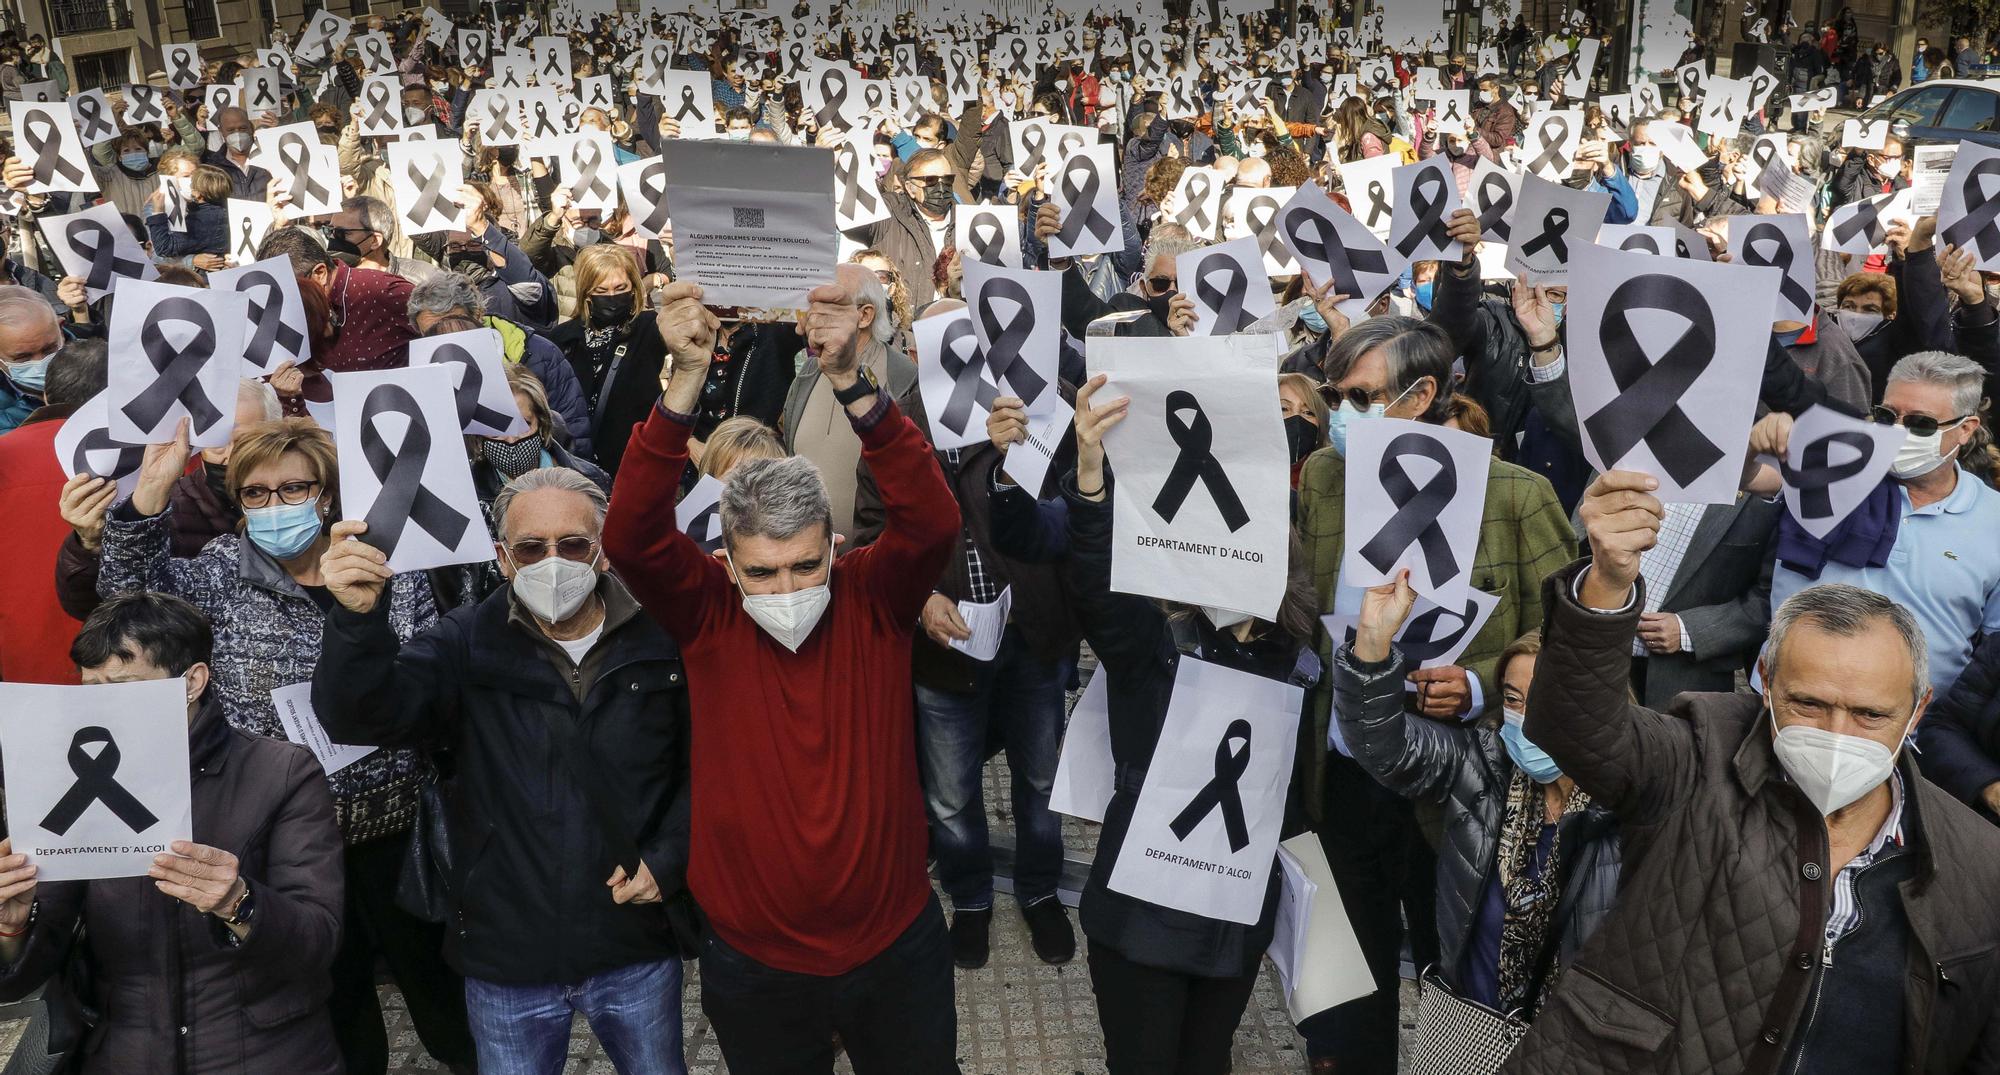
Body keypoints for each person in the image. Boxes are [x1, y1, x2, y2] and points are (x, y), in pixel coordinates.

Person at [1510, 473, 2000, 1071]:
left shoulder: (1980, 867)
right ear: (1765, 682)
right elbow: (1578, 728)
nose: (1836, 735)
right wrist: (1608, 583)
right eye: (1809, 705)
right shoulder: (1698, 756)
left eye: (1870, 714)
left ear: (1918, 708)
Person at [600, 279, 962, 1072]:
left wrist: (850, 377)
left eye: (806, 564)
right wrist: (685, 380)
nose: (789, 590)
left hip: (896, 946)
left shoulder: (873, 595)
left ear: (835, 549)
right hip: (755, 964)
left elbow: (931, 519)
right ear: (725, 562)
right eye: (764, 572)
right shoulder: (706, 612)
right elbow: (630, 537)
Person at [88, 418, 478, 1075]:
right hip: (285, 836)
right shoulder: (218, 572)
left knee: (444, 994)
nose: (275, 505)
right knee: (334, 999)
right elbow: (129, 610)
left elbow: (438, 669)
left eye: (293, 488)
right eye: (256, 493)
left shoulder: (389, 564)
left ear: (327, 494)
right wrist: (149, 494)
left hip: (398, 828)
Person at [314, 466, 694, 1075]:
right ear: (503, 558)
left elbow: (702, 767)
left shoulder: (660, 638)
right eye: (531, 548)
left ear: (602, 549)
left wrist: (672, 857)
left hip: (632, 942)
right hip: (505, 956)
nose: (553, 561)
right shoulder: (464, 642)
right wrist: (358, 621)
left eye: (572, 544)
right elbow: (362, 716)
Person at [1295, 316, 1578, 1073]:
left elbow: (1571, 649)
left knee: (1454, 986)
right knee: (1345, 988)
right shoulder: (1324, 476)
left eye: (1360, 396)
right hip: (1346, 777)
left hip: (1458, 794)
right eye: (1332, 394)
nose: (1340, 413)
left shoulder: (1517, 496)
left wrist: (1484, 688)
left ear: (1421, 395)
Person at [1034, 371, 1321, 1072]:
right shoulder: (1155, 640)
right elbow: (1098, 586)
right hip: (1142, 916)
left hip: (1234, 918)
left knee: (1206, 1059)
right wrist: (1092, 481)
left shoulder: (1306, 659)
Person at [0, 593, 345, 1074]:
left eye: (122, 687)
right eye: (90, 688)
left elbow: (318, 942)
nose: (103, 706)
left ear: (192, 683)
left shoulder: (281, 772)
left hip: (265, 1052)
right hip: (125, 1053)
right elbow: (24, 974)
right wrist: (12, 927)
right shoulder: (62, 782)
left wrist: (240, 903)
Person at [1334, 613, 1620, 1027]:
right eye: (1512, 699)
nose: (1525, 717)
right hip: (1470, 1035)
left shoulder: (1629, 815)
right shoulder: (1485, 765)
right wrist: (1373, 641)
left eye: (1541, 698)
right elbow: (1382, 742)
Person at [1760, 352, 2000, 700]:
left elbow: (1993, 655)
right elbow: (1756, 479)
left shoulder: (1993, 519)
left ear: (1965, 430)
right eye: (1887, 416)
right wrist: (1756, 446)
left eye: (1921, 423)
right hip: (1786, 704)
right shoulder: (1830, 462)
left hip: (1911, 732)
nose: (1899, 431)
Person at [779, 263, 921, 541]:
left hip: (875, 559)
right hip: (808, 560)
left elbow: (912, 474)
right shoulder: (808, 372)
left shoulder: (904, 377)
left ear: (865, 315)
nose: (814, 314)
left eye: (830, 302)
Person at [0, 338, 103, 683]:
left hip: (25, 661)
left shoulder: (6, 457)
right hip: (139, 664)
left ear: (45, 395)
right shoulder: (161, 457)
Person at [549, 244, 664, 477]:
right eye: (602, 290)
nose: (612, 297)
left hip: (635, 462)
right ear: (587, 293)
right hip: (580, 465)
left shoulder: (650, 327)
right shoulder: (564, 338)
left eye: (620, 288)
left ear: (633, 287)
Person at [0, 282, 63, 432]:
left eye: (49, 349)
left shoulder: (100, 363)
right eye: (23, 357)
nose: (41, 364)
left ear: (60, 328)